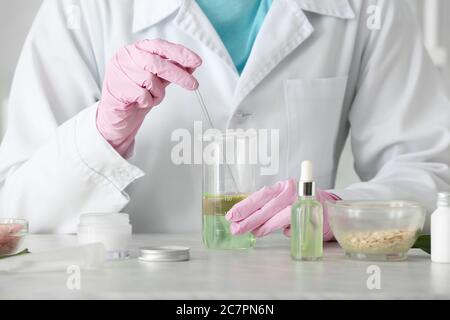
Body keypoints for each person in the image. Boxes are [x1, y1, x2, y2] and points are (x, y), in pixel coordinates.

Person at [0, 0, 449, 237]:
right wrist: (105, 131)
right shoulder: (80, 9)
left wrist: (344, 215)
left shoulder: (373, 8)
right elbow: (18, 216)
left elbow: (432, 175)